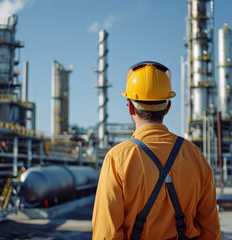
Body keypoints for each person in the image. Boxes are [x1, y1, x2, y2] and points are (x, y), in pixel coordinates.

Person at [92, 61, 220, 240]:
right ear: (167, 107)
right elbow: (211, 232)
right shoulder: (196, 156)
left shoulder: (117, 158)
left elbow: (106, 234)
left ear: (130, 107)